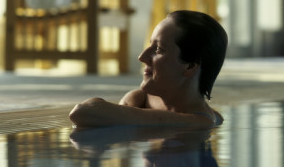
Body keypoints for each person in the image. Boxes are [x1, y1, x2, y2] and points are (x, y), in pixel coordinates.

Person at [69, 10, 227, 127]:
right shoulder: (144, 100)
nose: (142, 57)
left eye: (158, 50)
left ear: (190, 66)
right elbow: (85, 112)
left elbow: (84, 113)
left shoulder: (198, 123)